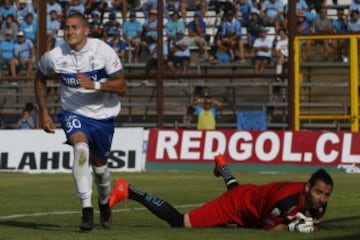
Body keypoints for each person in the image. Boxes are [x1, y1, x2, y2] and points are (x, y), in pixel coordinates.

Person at [34, 13, 127, 231]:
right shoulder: (54, 56)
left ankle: (104, 204)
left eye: (75, 27)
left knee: (101, 168)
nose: (70, 31)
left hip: (104, 116)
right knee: (80, 148)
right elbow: (40, 78)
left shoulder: (102, 50)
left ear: (86, 30)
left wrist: (94, 85)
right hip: (73, 113)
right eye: (67, 28)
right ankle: (86, 210)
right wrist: (44, 112)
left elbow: (121, 86)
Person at [109, 154, 334, 232]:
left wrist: (311, 226)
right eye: (318, 193)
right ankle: (129, 190)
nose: (322, 199)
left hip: (251, 197)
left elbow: (315, 222)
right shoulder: (283, 201)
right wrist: (291, 227)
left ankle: (222, 165)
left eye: (325, 195)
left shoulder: (319, 204)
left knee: (238, 195)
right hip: (238, 204)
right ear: (307, 187)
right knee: (180, 222)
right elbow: (268, 229)